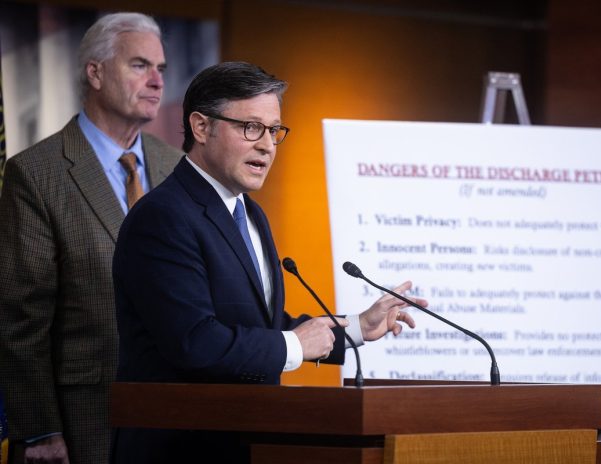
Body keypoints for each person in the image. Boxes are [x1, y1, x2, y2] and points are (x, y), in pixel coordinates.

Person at [111, 61, 423, 463]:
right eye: (251, 128)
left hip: (253, 442)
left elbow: (256, 325)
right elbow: (195, 342)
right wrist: (294, 345)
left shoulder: (250, 213)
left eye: (274, 131)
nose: (267, 145)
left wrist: (357, 328)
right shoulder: (164, 216)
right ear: (201, 127)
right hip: (181, 450)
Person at [0, 12, 182, 464]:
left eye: (161, 68)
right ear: (95, 73)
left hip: (173, 417)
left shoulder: (177, 167)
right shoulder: (35, 173)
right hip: (85, 418)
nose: (157, 80)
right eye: (140, 65)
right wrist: (40, 430)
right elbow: (21, 318)